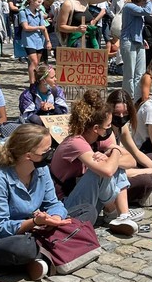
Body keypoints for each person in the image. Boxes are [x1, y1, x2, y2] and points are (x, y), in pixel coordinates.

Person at [0, 125, 99, 280]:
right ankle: (58, 246)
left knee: (87, 210)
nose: (51, 154)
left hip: (37, 228)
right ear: (28, 155)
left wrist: (56, 218)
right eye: (46, 152)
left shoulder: (41, 169)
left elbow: (53, 203)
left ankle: (43, 256)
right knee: (23, 248)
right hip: (2, 237)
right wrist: (33, 222)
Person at [50, 92, 144, 235]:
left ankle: (123, 216)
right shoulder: (75, 143)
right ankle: (112, 211)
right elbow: (107, 171)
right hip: (66, 204)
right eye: (107, 127)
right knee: (101, 170)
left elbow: (131, 161)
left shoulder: (98, 138)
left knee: (116, 166)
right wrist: (115, 150)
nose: (109, 130)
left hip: (88, 196)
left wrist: (111, 155)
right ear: (96, 128)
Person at [106, 89, 152, 207]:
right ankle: (132, 197)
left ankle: (142, 193)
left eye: (125, 114)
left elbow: (135, 152)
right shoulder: (105, 132)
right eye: (117, 113)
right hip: (113, 177)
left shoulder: (122, 127)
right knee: (146, 180)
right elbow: (115, 170)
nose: (121, 117)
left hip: (122, 166)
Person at [120, 0, 152, 100]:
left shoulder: (136, 7)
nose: (146, 2)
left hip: (138, 41)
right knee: (130, 73)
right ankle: (128, 97)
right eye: (144, 0)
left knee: (140, 72)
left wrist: (142, 38)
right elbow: (147, 11)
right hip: (128, 41)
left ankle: (137, 97)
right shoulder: (129, 6)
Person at [19, 0, 52, 86]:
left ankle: (37, 81)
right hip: (28, 40)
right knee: (34, 61)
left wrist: (48, 41)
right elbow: (26, 27)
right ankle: (32, 83)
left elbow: (44, 28)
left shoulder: (39, 13)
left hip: (39, 40)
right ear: (31, 2)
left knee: (37, 63)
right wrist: (38, 28)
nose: (40, 3)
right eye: (38, 1)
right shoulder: (23, 12)